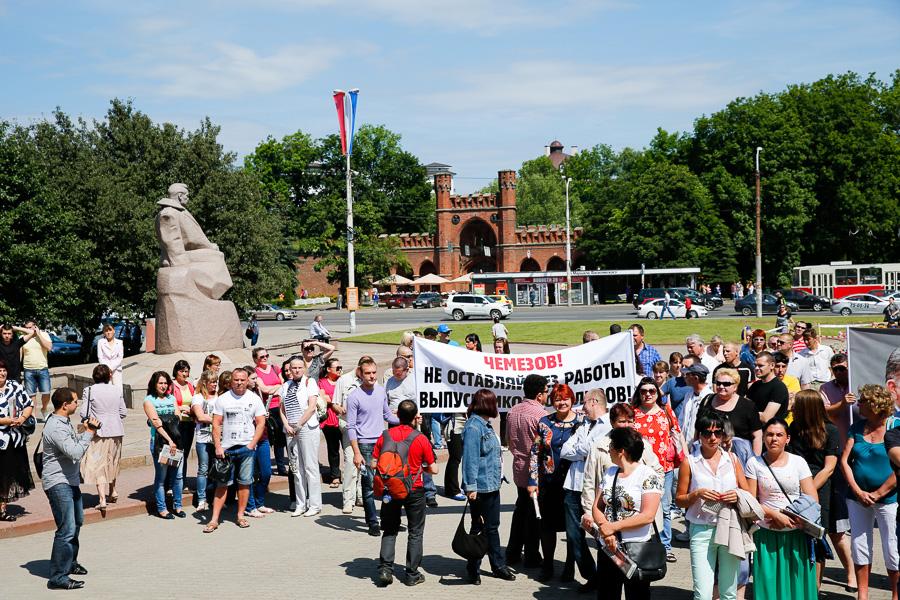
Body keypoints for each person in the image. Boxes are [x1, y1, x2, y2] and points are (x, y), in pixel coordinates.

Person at [675, 413, 750, 600]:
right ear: (699, 435)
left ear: (723, 435)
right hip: (701, 529)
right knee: (703, 593)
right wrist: (696, 494)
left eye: (718, 432)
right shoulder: (689, 462)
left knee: (729, 591)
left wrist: (736, 495)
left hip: (730, 526)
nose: (713, 438)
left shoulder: (732, 459)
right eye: (707, 433)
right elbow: (679, 500)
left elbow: (747, 492)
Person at [745, 418, 818, 600]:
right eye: (769, 434)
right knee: (769, 588)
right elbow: (749, 501)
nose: (774, 439)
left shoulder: (798, 462)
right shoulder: (754, 463)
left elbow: (812, 498)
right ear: (763, 437)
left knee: (797, 587)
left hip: (796, 533)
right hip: (766, 534)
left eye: (779, 435)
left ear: (788, 439)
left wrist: (791, 519)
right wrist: (773, 514)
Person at [839, 384, 899, 599]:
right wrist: (857, 491)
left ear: (875, 405)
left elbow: (899, 466)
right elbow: (845, 461)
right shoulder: (857, 427)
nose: (858, 404)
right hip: (857, 498)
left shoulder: (896, 427)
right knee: (859, 544)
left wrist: (879, 493)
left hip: (890, 498)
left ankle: (895, 594)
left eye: (863, 401)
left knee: (892, 547)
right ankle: (862, 595)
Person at [591, 427, 664, 600]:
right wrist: (605, 529)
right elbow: (597, 507)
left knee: (637, 595)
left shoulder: (647, 475)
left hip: (636, 548)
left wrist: (612, 528)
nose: (608, 450)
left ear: (621, 451)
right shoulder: (610, 472)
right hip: (609, 548)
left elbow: (648, 516)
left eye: (611, 446)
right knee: (607, 594)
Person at [374, 400, 438, 587]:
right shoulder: (420, 438)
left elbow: (373, 463)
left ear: (398, 415)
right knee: (415, 531)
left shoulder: (385, 435)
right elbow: (434, 469)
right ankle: (411, 574)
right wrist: (420, 469)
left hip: (391, 488)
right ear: (415, 416)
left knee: (390, 529)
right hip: (414, 489)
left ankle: (385, 568)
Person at [42, 387, 100, 590]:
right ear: (65, 405)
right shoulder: (56, 427)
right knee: (66, 529)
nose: (78, 404)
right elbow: (75, 452)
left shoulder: (63, 422)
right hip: (59, 483)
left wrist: (84, 430)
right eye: (75, 401)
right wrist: (90, 433)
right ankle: (58, 576)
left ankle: (70, 562)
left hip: (70, 480)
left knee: (76, 523)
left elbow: (71, 445)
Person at [528, 383, 584, 582]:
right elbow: (535, 452)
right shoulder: (544, 422)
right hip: (548, 483)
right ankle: (548, 564)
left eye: (565, 398)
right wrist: (532, 480)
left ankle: (570, 566)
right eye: (558, 399)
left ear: (572, 400)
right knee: (547, 527)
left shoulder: (582, 422)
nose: (562, 402)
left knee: (572, 528)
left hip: (574, 484)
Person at [461, 389, 516, 584]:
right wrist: (470, 487)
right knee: (480, 528)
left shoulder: (486, 425)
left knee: (491, 527)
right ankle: (473, 568)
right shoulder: (474, 427)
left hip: (492, 485)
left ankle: (497, 565)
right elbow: (470, 460)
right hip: (480, 487)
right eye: (494, 402)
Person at [787, 389, 840, 588]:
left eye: (797, 405)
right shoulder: (794, 428)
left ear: (807, 408)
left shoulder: (831, 430)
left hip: (819, 489)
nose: (792, 408)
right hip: (794, 484)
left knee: (817, 537)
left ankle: (814, 587)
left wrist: (809, 491)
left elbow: (829, 468)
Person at [205, 368, 267, 533]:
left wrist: (252, 444)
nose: (239, 382)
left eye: (242, 380)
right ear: (231, 381)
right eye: (236, 380)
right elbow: (216, 423)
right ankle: (214, 519)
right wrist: (218, 446)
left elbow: (261, 423)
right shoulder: (223, 399)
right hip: (226, 449)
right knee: (222, 484)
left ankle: (240, 515)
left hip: (246, 447)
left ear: (247, 381)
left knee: (245, 483)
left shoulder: (254, 399)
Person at [559, 389, 609, 591]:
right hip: (573, 485)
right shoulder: (583, 425)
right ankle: (592, 575)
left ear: (594, 402)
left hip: (596, 488)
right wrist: (585, 449)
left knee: (601, 534)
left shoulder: (608, 424)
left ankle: (607, 577)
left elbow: (595, 450)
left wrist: (582, 449)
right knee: (573, 535)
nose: (581, 407)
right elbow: (565, 450)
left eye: (584, 402)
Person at [631, 376, 684, 562]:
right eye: (643, 391)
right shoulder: (633, 413)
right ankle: (642, 544)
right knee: (639, 506)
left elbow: (677, 434)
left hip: (664, 467)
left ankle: (665, 545)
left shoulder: (666, 412)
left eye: (651, 391)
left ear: (657, 393)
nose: (647, 394)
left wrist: (684, 458)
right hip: (639, 468)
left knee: (665, 507)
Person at [819, 352, 858, 589]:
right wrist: (843, 403)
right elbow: (826, 412)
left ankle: (854, 571)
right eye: (836, 369)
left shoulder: (859, 381)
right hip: (837, 454)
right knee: (838, 523)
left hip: (860, 453)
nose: (839, 373)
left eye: (843, 368)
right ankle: (850, 574)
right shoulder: (826, 387)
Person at [346, 358, 398, 536]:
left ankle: (387, 519)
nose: (372, 376)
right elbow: (351, 427)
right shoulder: (354, 397)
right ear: (360, 374)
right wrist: (356, 452)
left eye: (374, 372)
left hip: (382, 443)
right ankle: (372, 522)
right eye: (367, 373)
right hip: (364, 444)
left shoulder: (381, 391)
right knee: (368, 485)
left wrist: (408, 419)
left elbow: (388, 415)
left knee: (387, 483)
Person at [506, 373, 549, 568]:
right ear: (540, 395)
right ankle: (531, 554)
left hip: (518, 465)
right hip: (534, 470)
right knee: (534, 514)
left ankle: (513, 551)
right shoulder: (541, 415)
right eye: (546, 392)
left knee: (521, 509)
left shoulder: (513, 410)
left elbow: (508, 439)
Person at [78, 364, 127, 515]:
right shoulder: (116, 390)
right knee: (112, 461)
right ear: (109, 376)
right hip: (116, 430)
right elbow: (123, 412)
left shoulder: (90, 390)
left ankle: (102, 499)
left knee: (98, 463)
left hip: (98, 431)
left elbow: (83, 412)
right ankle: (113, 491)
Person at [280, 357, 322, 517]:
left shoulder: (309, 382)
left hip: (306, 427)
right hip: (290, 430)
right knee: (296, 468)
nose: (296, 370)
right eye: (293, 368)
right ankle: (300, 503)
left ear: (304, 368)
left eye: (299, 367)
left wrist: (298, 425)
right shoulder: (285, 386)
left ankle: (315, 504)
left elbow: (311, 407)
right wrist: (287, 425)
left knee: (310, 466)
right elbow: (282, 409)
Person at [143, 371, 184, 519]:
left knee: (177, 476)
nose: (163, 385)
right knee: (162, 477)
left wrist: (164, 419)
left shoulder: (171, 398)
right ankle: (162, 508)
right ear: (154, 384)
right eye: (160, 383)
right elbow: (156, 424)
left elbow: (178, 416)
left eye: (165, 383)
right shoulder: (149, 400)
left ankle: (178, 506)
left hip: (175, 442)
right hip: (162, 444)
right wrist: (170, 439)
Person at [699, 367, 763, 455]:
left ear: (735, 387)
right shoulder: (707, 400)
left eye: (726, 384)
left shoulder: (748, 406)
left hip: (738, 457)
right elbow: (698, 429)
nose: (721, 386)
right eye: (718, 383)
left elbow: (757, 436)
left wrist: (755, 461)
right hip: (708, 454)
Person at [0, 359, 34, 521]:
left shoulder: (15, 386)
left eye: (4, 370)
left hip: (14, 439)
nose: (2, 373)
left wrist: (22, 418)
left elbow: (29, 404)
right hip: (1, 440)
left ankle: (2, 508)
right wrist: (6, 421)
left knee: (8, 475)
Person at [253, 347, 287, 475]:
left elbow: (284, 383)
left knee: (280, 437)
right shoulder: (256, 372)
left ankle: (281, 466)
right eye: (262, 357)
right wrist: (278, 387)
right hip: (268, 408)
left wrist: (276, 388)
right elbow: (264, 389)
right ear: (256, 359)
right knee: (269, 438)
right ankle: (262, 469)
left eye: (266, 355)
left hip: (281, 405)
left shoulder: (275, 368)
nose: (265, 358)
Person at [190, 370, 218, 511]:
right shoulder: (198, 398)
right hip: (203, 438)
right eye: (212, 382)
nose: (215, 384)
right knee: (203, 469)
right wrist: (218, 419)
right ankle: (202, 499)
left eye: (216, 381)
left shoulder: (219, 396)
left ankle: (215, 499)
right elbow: (200, 417)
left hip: (218, 439)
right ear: (205, 383)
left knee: (217, 469)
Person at [318, 358, 344, 488]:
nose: (340, 370)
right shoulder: (322, 382)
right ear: (328, 369)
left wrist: (331, 398)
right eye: (337, 367)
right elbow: (323, 398)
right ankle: (335, 476)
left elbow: (332, 398)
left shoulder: (343, 381)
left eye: (341, 367)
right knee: (333, 450)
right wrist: (336, 399)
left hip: (344, 420)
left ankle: (352, 474)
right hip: (329, 421)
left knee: (348, 449)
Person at [170, 359, 195, 485]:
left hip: (189, 423)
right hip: (176, 424)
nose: (184, 374)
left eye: (186, 371)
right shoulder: (171, 385)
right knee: (175, 453)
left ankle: (182, 482)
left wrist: (192, 410)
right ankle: (171, 482)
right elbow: (167, 403)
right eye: (182, 371)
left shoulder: (190, 386)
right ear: (176, 372)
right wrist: (180, 408)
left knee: (184, 453)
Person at [21, 320, 52, 420]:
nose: (29, 330)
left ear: (35, 326)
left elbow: (49, 347)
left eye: (31, 327)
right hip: (28, 370)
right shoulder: (22, 337)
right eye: (27, 328)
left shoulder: (44, 334)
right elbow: (20, 355)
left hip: (42, 368)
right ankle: (33, 415)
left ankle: (44, 409)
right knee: (31, 394)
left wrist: (38, 335)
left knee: (46, 392)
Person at [747, 351, 790, 422]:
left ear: (772, 365)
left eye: (761, 365)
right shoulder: (755, 385)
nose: (757, 368)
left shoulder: (778, 387)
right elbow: (744, 405)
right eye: (755, 365)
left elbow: (766, 418)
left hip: (772, 430)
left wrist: (745, 412)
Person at [96, 324, 124, 390]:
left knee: (118, 390)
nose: (108, 332)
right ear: (104, 332)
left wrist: (111, 368)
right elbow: (100, 357)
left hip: (116, 369)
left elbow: (120, 357)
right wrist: (107, 369)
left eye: (110, 330)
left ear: (114, 331)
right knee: (107, 389)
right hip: (105, 370)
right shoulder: (100, 342)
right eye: (106, 331)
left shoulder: (119, 342)